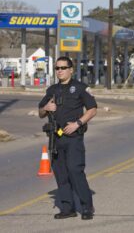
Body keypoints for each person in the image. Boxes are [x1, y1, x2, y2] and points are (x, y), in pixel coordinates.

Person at [38, 56, 97, 220]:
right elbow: (40, 113)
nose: (60, 71)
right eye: (57, 68)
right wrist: (46, 107)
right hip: (56, 138)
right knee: (61, 173)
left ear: (71, 69)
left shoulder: (80, 88)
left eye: (63, 68)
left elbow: (92, 109)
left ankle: (87, 207)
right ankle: (67, 208)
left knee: (75, 170)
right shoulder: (52, 90)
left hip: (73, 138)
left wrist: (78, 123)